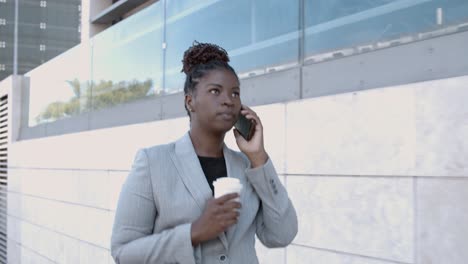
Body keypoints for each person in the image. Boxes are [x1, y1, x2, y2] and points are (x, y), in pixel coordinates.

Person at [111, 42, 298, 264]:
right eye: (215, 91)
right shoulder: (152, 163)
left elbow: (282, 235)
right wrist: (194, 232)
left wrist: (258, 156)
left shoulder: (248, 167)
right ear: (190, 101)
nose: (229, 100)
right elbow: (123, 253)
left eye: (235, 93)